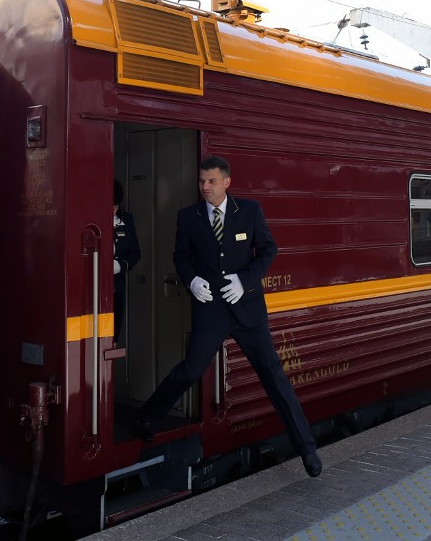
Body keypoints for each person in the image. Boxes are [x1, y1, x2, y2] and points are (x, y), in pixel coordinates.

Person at [134, 156, 322, 478]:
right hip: (212, 311)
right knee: (190, 369)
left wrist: (244, 281)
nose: (204, 187)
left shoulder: (249, 211)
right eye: (201, 181)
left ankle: (307, 448)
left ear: (226, 182)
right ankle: (146, 417)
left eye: (211, 181)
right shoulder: (188, 217)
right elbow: (181, 257)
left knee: (273, 375)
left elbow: (268, 250)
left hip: (247, 308)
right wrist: (192, 281)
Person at [114, 180, 141, 344]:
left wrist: (121, 266)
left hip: (116, 288)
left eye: (115, 207)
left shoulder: (126, 219)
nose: (112, 210)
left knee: (113, 335)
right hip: (93, 289)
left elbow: (135, 253)